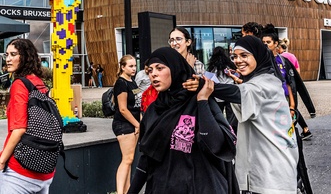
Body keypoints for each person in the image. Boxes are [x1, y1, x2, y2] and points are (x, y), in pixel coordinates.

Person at [190, 36, 298, 194]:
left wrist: (204, 85)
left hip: (274, 172)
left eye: (244, 55)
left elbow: (240, 93)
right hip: (264, 169)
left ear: (258, 55)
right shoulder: (258, 82)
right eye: (235, 56)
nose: (238, 60)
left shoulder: (267, 83)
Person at [130, 47, 238, 194]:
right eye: (150, 70)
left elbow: (217, 144)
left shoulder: (201, 100)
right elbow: (146, 160)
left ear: (175, 68)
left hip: (202, 187)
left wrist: (202, 101)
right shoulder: (154, 111)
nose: (153, 74)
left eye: (160, 68)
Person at [0, 38, 55, 194]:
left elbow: (20, 128)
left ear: (25, 57)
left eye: (13, 54)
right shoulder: (38, 82)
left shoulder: (20, 85)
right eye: (6, 54)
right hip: (44, 168)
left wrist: (1, 161)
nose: (8, 59)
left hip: (20, 172)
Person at [113, 55, 141, 194]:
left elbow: (136, 104)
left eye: (135, 65)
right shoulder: (121, 83)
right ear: (123, 67)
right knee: (127, 159)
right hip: (124, 124)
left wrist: (139, 123)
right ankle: (120, 192)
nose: (134, 68)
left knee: (129, 160)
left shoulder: (132, 82)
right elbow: (123, 109)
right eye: (130, 66)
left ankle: (127, 191)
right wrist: (137, 124)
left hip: (133, 124)